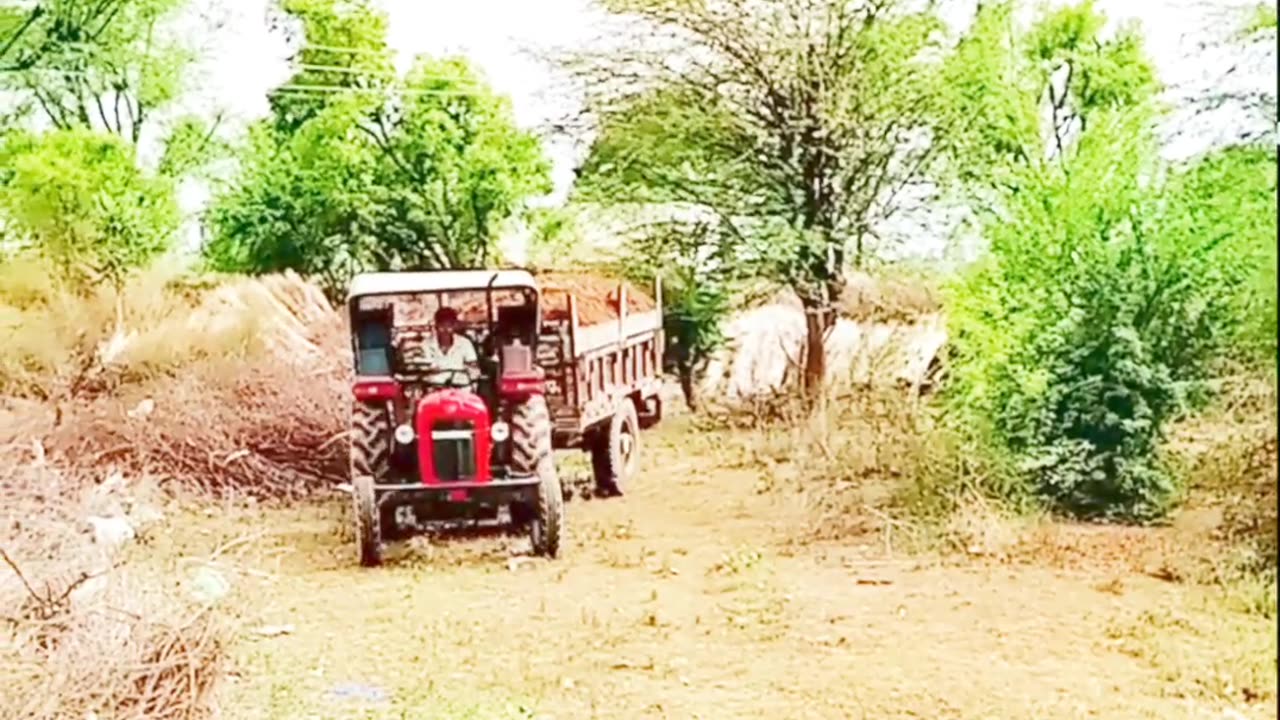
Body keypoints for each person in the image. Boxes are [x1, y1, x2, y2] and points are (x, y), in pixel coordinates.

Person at [424, 306, 478, 387]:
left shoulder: (465, 343)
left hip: (460, 389)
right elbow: (421, 369)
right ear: (436, 326)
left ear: (454, 326)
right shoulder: (425, 345)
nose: (446, 330)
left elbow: (473, 368)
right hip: (434, 389)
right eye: (442, 325)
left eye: (449, 325)